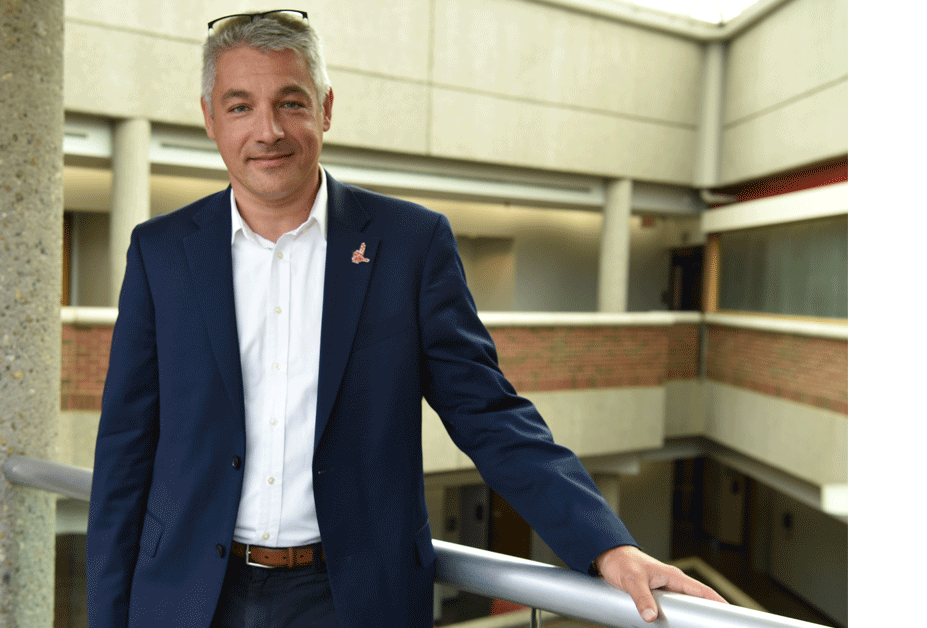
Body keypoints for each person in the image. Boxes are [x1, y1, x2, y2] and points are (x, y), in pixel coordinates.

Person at [87, 9, 726, 628]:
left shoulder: (409, 245)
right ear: (209, 118)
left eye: (290, 101)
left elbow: (490, 415)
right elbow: (125, 451)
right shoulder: (160, 251)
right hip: (189, 596)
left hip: (351, 598)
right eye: (239, 106)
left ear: (326, 107)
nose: (268, 130)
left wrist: (605, 545)